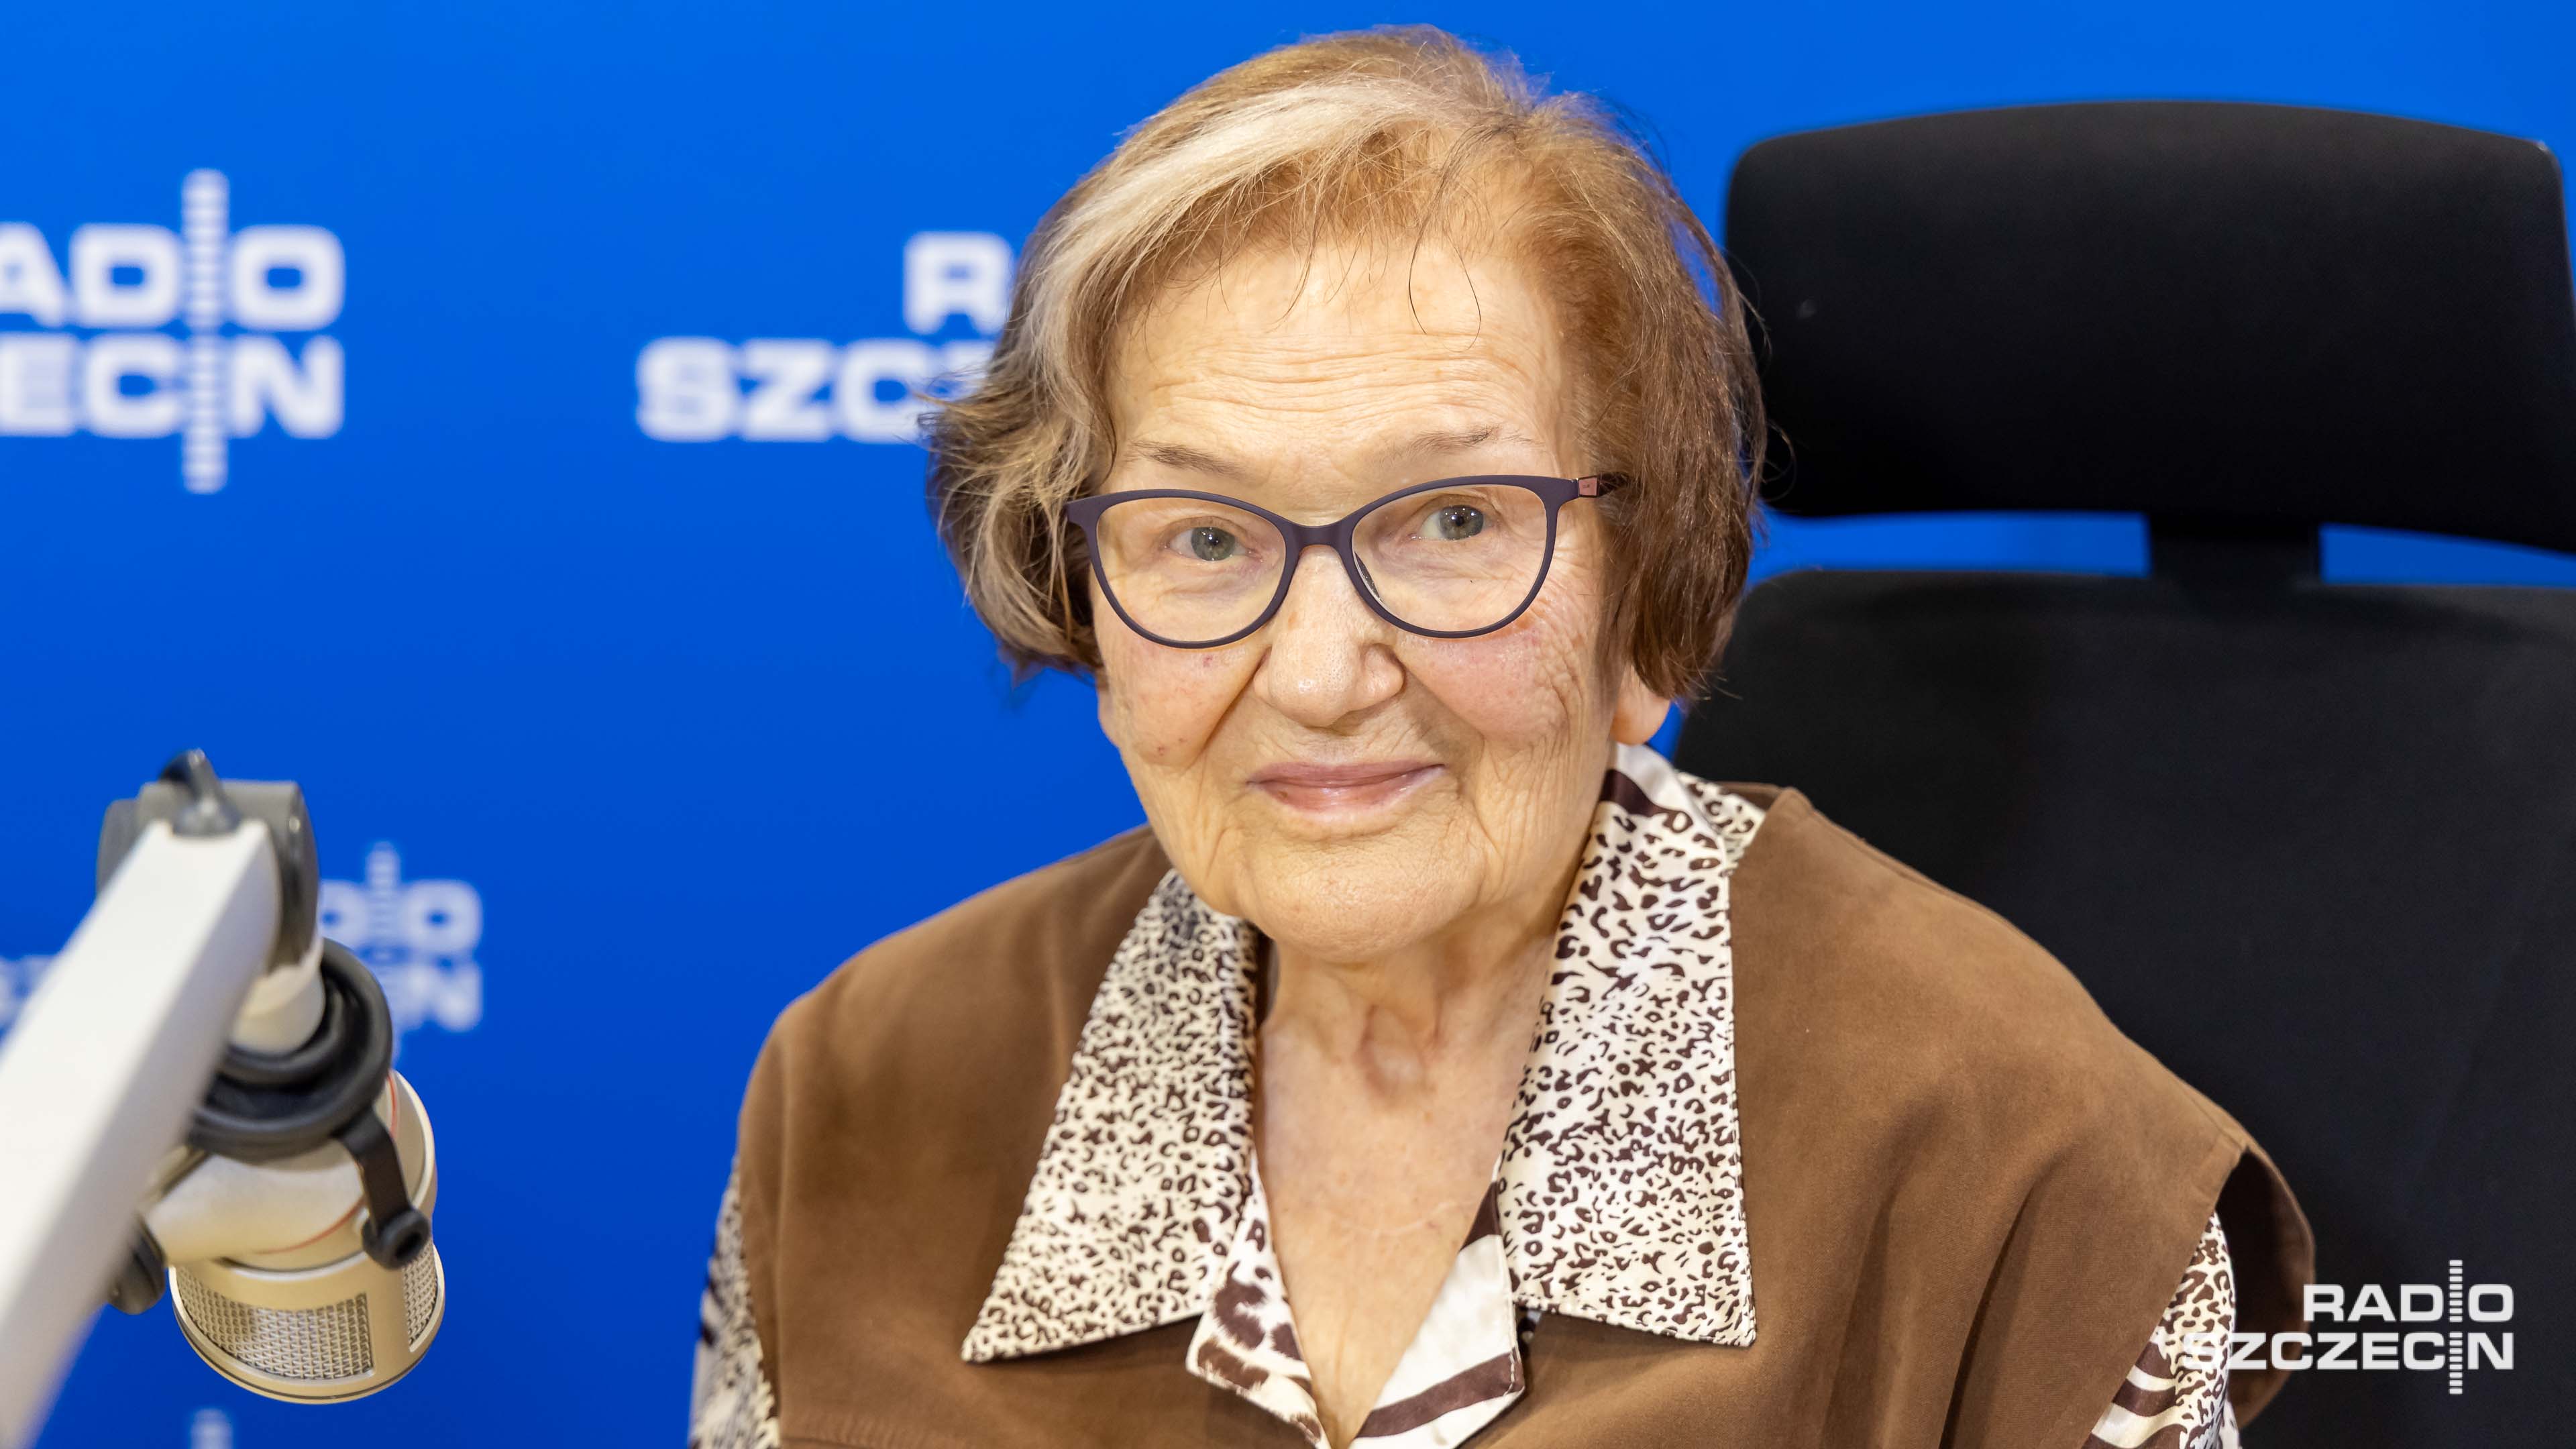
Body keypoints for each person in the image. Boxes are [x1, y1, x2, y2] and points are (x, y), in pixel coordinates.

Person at [690, 26, 2312, 1449]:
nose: (1320, 674)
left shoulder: (2024, 1165)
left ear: (1646, 600)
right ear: (1085, 612)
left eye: (1454, 520)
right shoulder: (861, 1091)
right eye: (1205, 538)